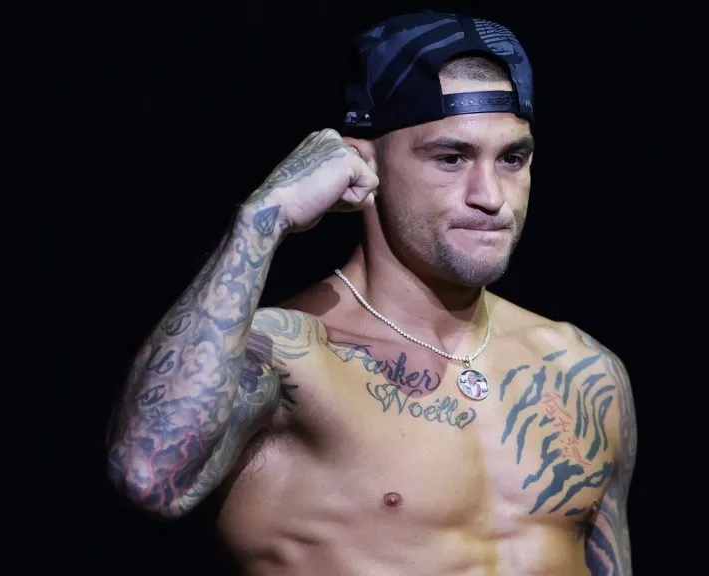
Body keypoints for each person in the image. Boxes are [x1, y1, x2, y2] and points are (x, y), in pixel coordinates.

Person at [106, 10, 637, 576]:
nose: (491, 197)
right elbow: (149, 477)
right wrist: (262, 221)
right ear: (365, 161)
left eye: (512, 158)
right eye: (451, 158)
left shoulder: (583, 371)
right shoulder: (285, 357)